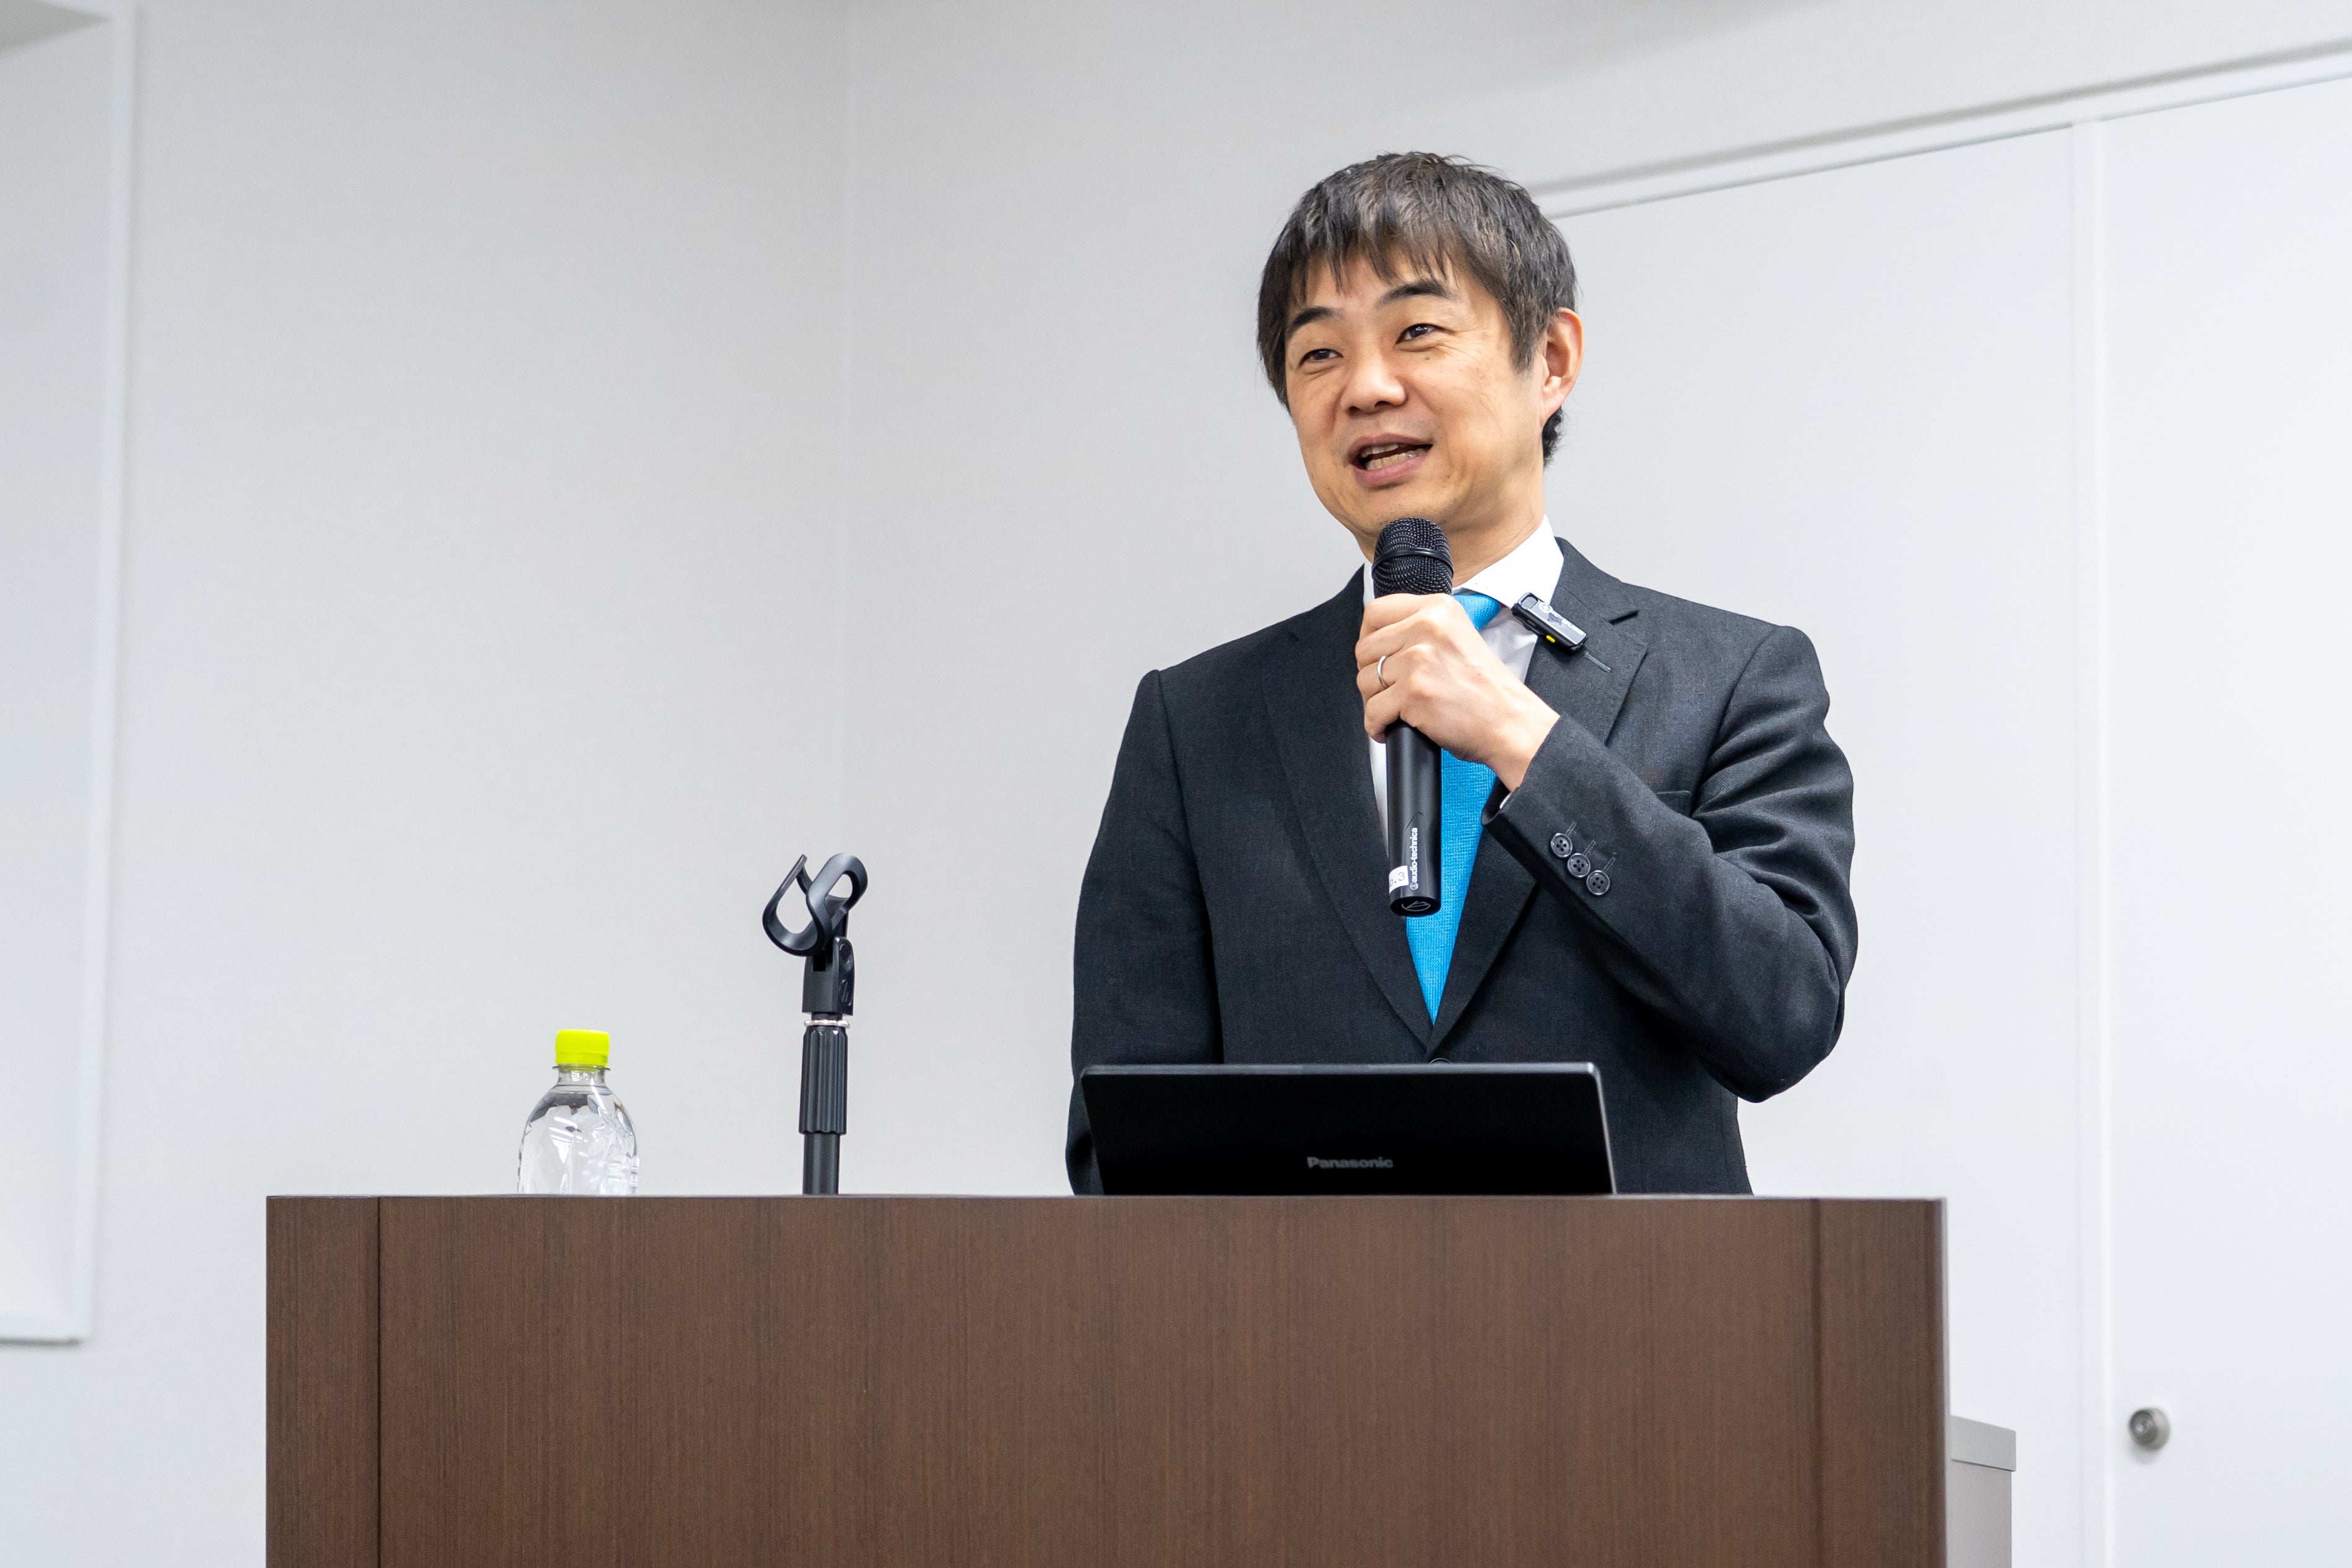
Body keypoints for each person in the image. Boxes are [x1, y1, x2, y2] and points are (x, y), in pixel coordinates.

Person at [1065, 153, 1857, 1194]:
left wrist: (1525, 742)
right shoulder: (1196, 723)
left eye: (1418, 333)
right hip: (1295, 1301)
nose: (1366, 387)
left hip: (1638, 1297)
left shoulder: (1733, 677)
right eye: (1318, 353)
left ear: (1552, 359)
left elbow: (1784, 1014)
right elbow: (1124, 1139)